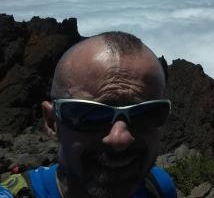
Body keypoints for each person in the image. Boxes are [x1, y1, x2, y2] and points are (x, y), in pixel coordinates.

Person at [0, 31, 176, 198]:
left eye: (145, 114)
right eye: (91, 115)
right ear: (52, 121)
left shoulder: (158, 187)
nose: (119, 139)